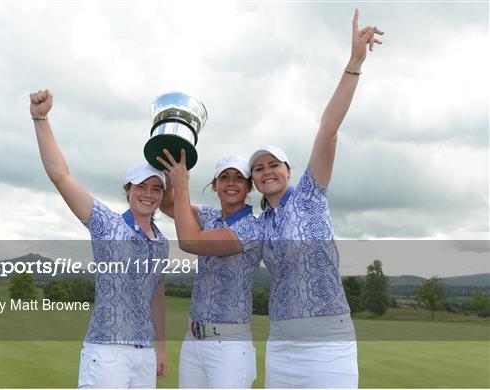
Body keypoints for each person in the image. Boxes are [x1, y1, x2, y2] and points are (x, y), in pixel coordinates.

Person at [248, 9, 384, 388]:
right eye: (259, 169)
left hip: (329, 342)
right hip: (280, 342)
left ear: (289, 171)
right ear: (254, 181)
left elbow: (328, 131)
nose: (267, 171)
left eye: (274, 164)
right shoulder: (260, 224)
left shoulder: (309, 194)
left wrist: (354, 62)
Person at [29, 89, 168, 388]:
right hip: (107, 353)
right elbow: (61, 176)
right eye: (140, 186)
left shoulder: (162, 242)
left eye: (156, 188)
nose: (148, 193)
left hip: (143, 355)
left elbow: (156, 296)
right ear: (128, 189)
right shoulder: (107, 224)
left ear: (161, 195)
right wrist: (40, 118)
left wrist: (161, 348)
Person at [157, 150, 263, 388]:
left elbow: (189, 242)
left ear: (249, 187)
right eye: (224, 177)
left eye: (238, 177)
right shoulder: (210, 215)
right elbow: (168, 205)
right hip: (193, 339)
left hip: (229, 345)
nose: (231, 183)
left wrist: (183, 187)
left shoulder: (253, 229)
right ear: (215, 186)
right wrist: (170, 177)